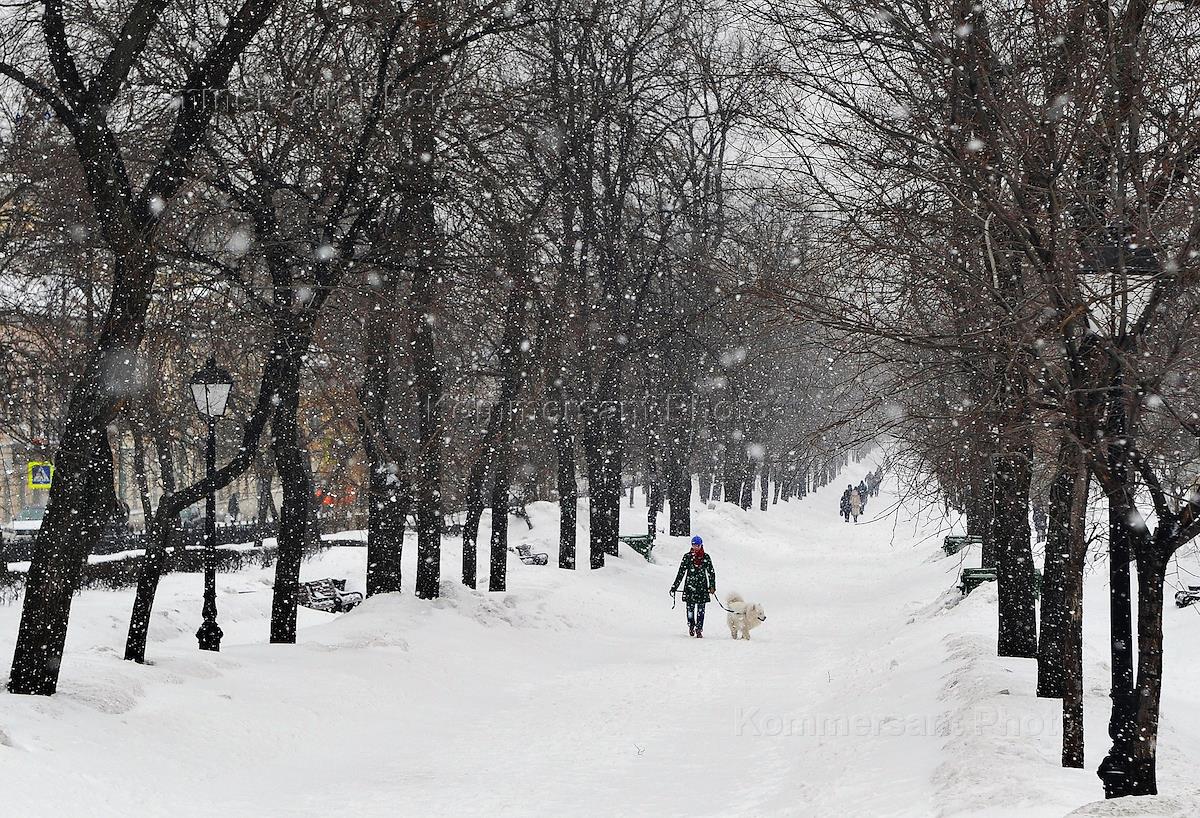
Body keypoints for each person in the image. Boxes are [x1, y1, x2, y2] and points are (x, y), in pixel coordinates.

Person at [670, 536, 716, 638]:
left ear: (701, 545)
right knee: (690, 610)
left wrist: (712, 586)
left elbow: (711, 573)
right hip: (689, 588)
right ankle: (691, 625)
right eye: (694, 545)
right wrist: (675, 586)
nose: (695, 547)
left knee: (701, 610)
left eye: (697, 545)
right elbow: (681, 572)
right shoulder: (687, 557)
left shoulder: (706, 557)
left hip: (702, 588)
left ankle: (699, 629)